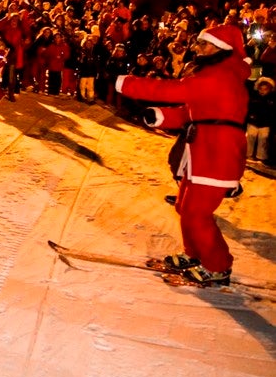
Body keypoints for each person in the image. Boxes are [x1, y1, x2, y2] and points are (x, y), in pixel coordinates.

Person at [116, 24, 250, 286]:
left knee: (197, 213)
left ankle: (218, 266)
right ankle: (196, 254)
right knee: (185, 207)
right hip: (201, 151)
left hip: (217, 154)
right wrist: (162, 116)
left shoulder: (221, 76)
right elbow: (192, 112)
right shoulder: (215, 73)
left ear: (221, 49)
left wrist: (127, 83)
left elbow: (173, 90)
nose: (197, 48)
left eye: (204, 44)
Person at [246, 76, 274, 163]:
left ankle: (261, 157)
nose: (262, 91)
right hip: (253, 122)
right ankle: (248, 155)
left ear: (270, 89)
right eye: (260, 89)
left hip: (265, 123)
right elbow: (249, 107)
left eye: (265, 89)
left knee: (263, 139)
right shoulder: (254, 98)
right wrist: (250, 115)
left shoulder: (272, 99)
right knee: (251, 137)